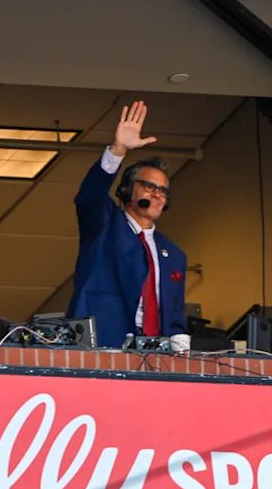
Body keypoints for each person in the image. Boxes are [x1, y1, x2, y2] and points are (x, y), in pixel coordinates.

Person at [66, 101, 187, 348]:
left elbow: (174, 315)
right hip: (101, 344)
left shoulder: (174, 254)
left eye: (163, 191)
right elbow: (89, 197)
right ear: (127, 189)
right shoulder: (105, 226)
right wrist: (118, 149)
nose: (157, 194)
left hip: (154, 355)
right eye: (149, 186)